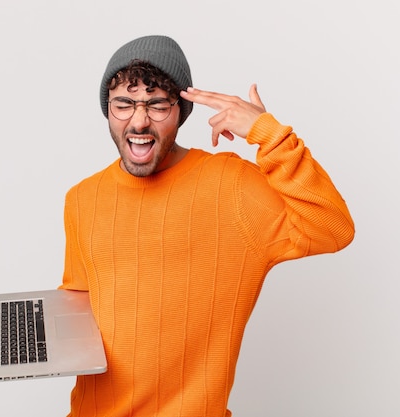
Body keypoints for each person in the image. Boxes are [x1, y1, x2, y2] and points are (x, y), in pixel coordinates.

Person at [59, 35, 355, 417]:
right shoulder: (82, 198)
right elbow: (80, 302)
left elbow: (333, 228)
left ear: (181, 111)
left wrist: (269, 134)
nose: (139, 120)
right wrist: (33, 340)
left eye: (157, 105)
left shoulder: (230, 186)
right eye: (124, 104)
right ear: (108, 110)